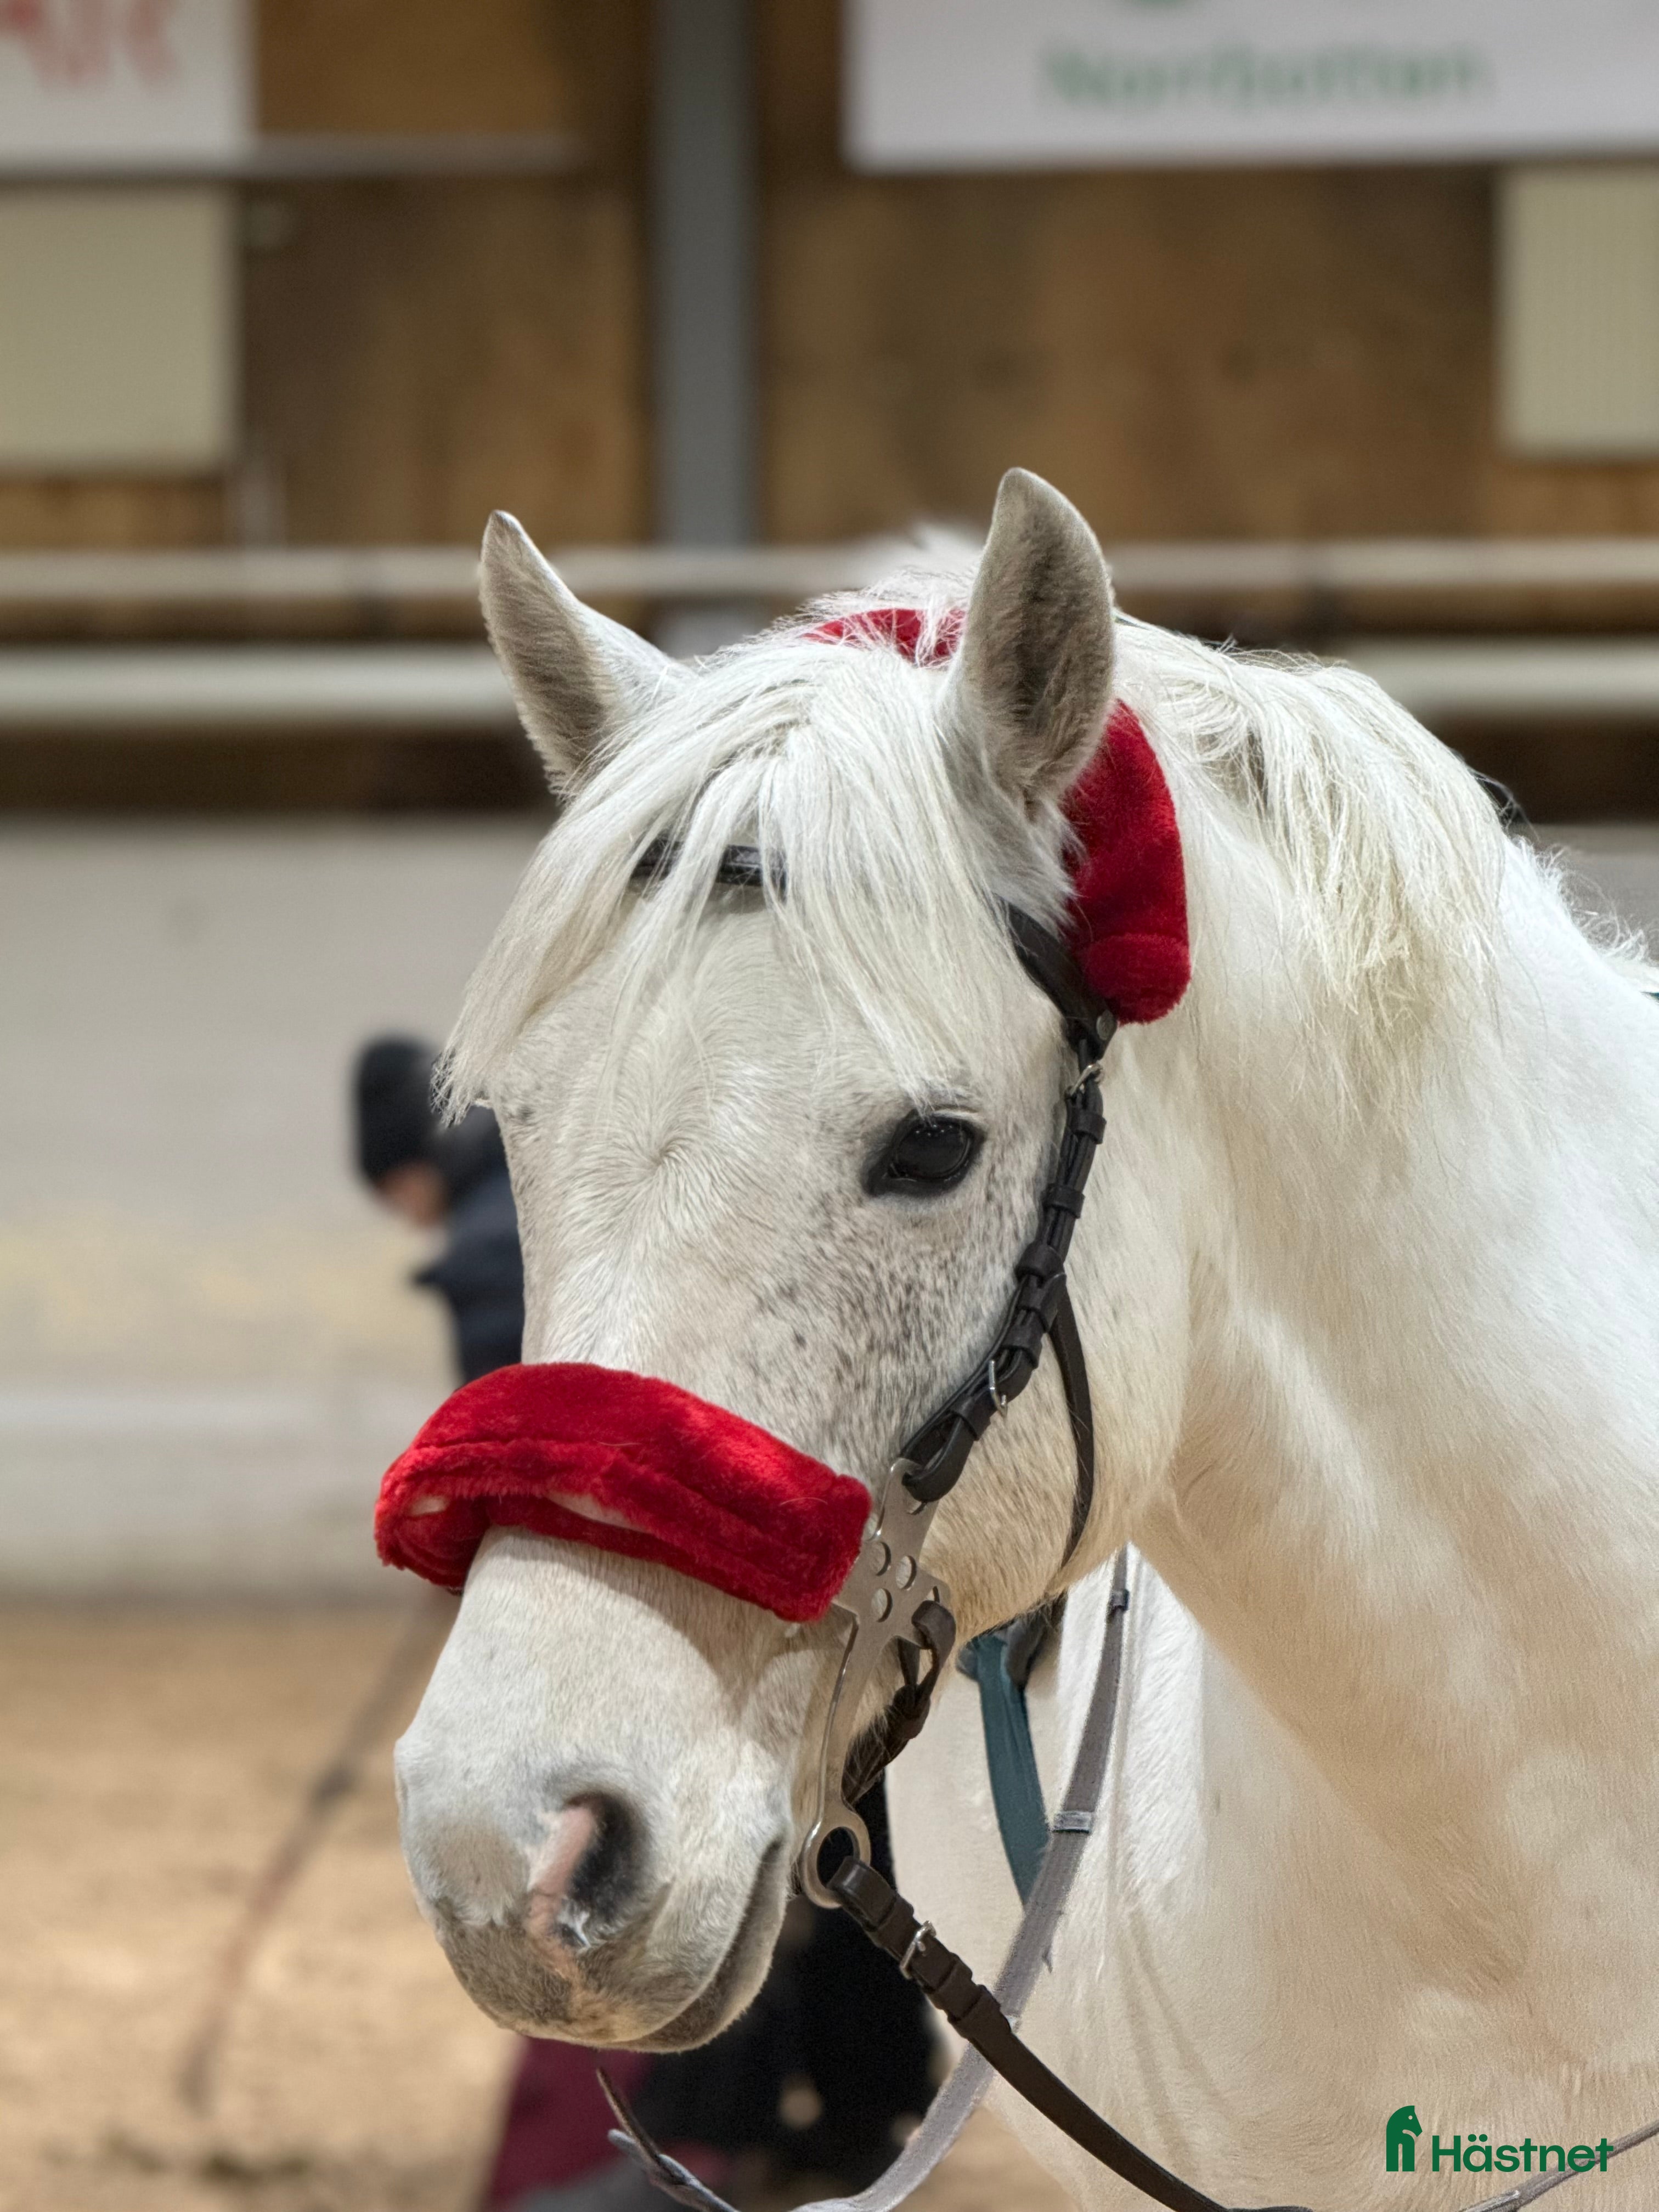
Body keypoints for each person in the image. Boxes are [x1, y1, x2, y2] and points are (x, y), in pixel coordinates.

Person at [353, 1037, 935, 2211]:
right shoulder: (605, 1194)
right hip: (819, 1569)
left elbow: (556, 1473)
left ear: (403, 1172)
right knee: (847, 1815)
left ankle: (703, 2133)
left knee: (703, 1815)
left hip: (677, 1589)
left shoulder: (487, 1264)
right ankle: (855, 2108)